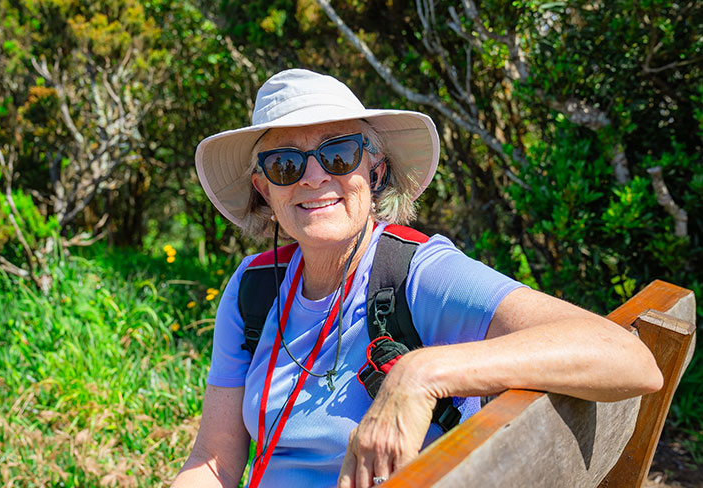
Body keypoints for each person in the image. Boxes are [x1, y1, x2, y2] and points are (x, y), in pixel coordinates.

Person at [172, 69, 662, 488]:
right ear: (265, 190)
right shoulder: (253, 288)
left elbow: (629, 358)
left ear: (375, 170)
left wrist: (418, 373)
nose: (313, 177)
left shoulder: (418, 274)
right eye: (285, 164)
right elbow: (213, 462)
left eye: (338, 154)